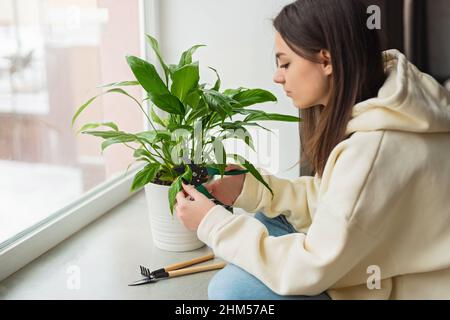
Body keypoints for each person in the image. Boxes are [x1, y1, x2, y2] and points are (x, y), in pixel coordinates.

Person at [175, 0, 450, 300]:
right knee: (271, 217)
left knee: (230, 290)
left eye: (285, 63)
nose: (277, 77)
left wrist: (213, 224)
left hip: (395, 286)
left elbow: (311, 265)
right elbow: (331, 200)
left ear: (327, 60)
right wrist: (250, 189)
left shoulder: (372, 151)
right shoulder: (385, 98)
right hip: (371, 251)